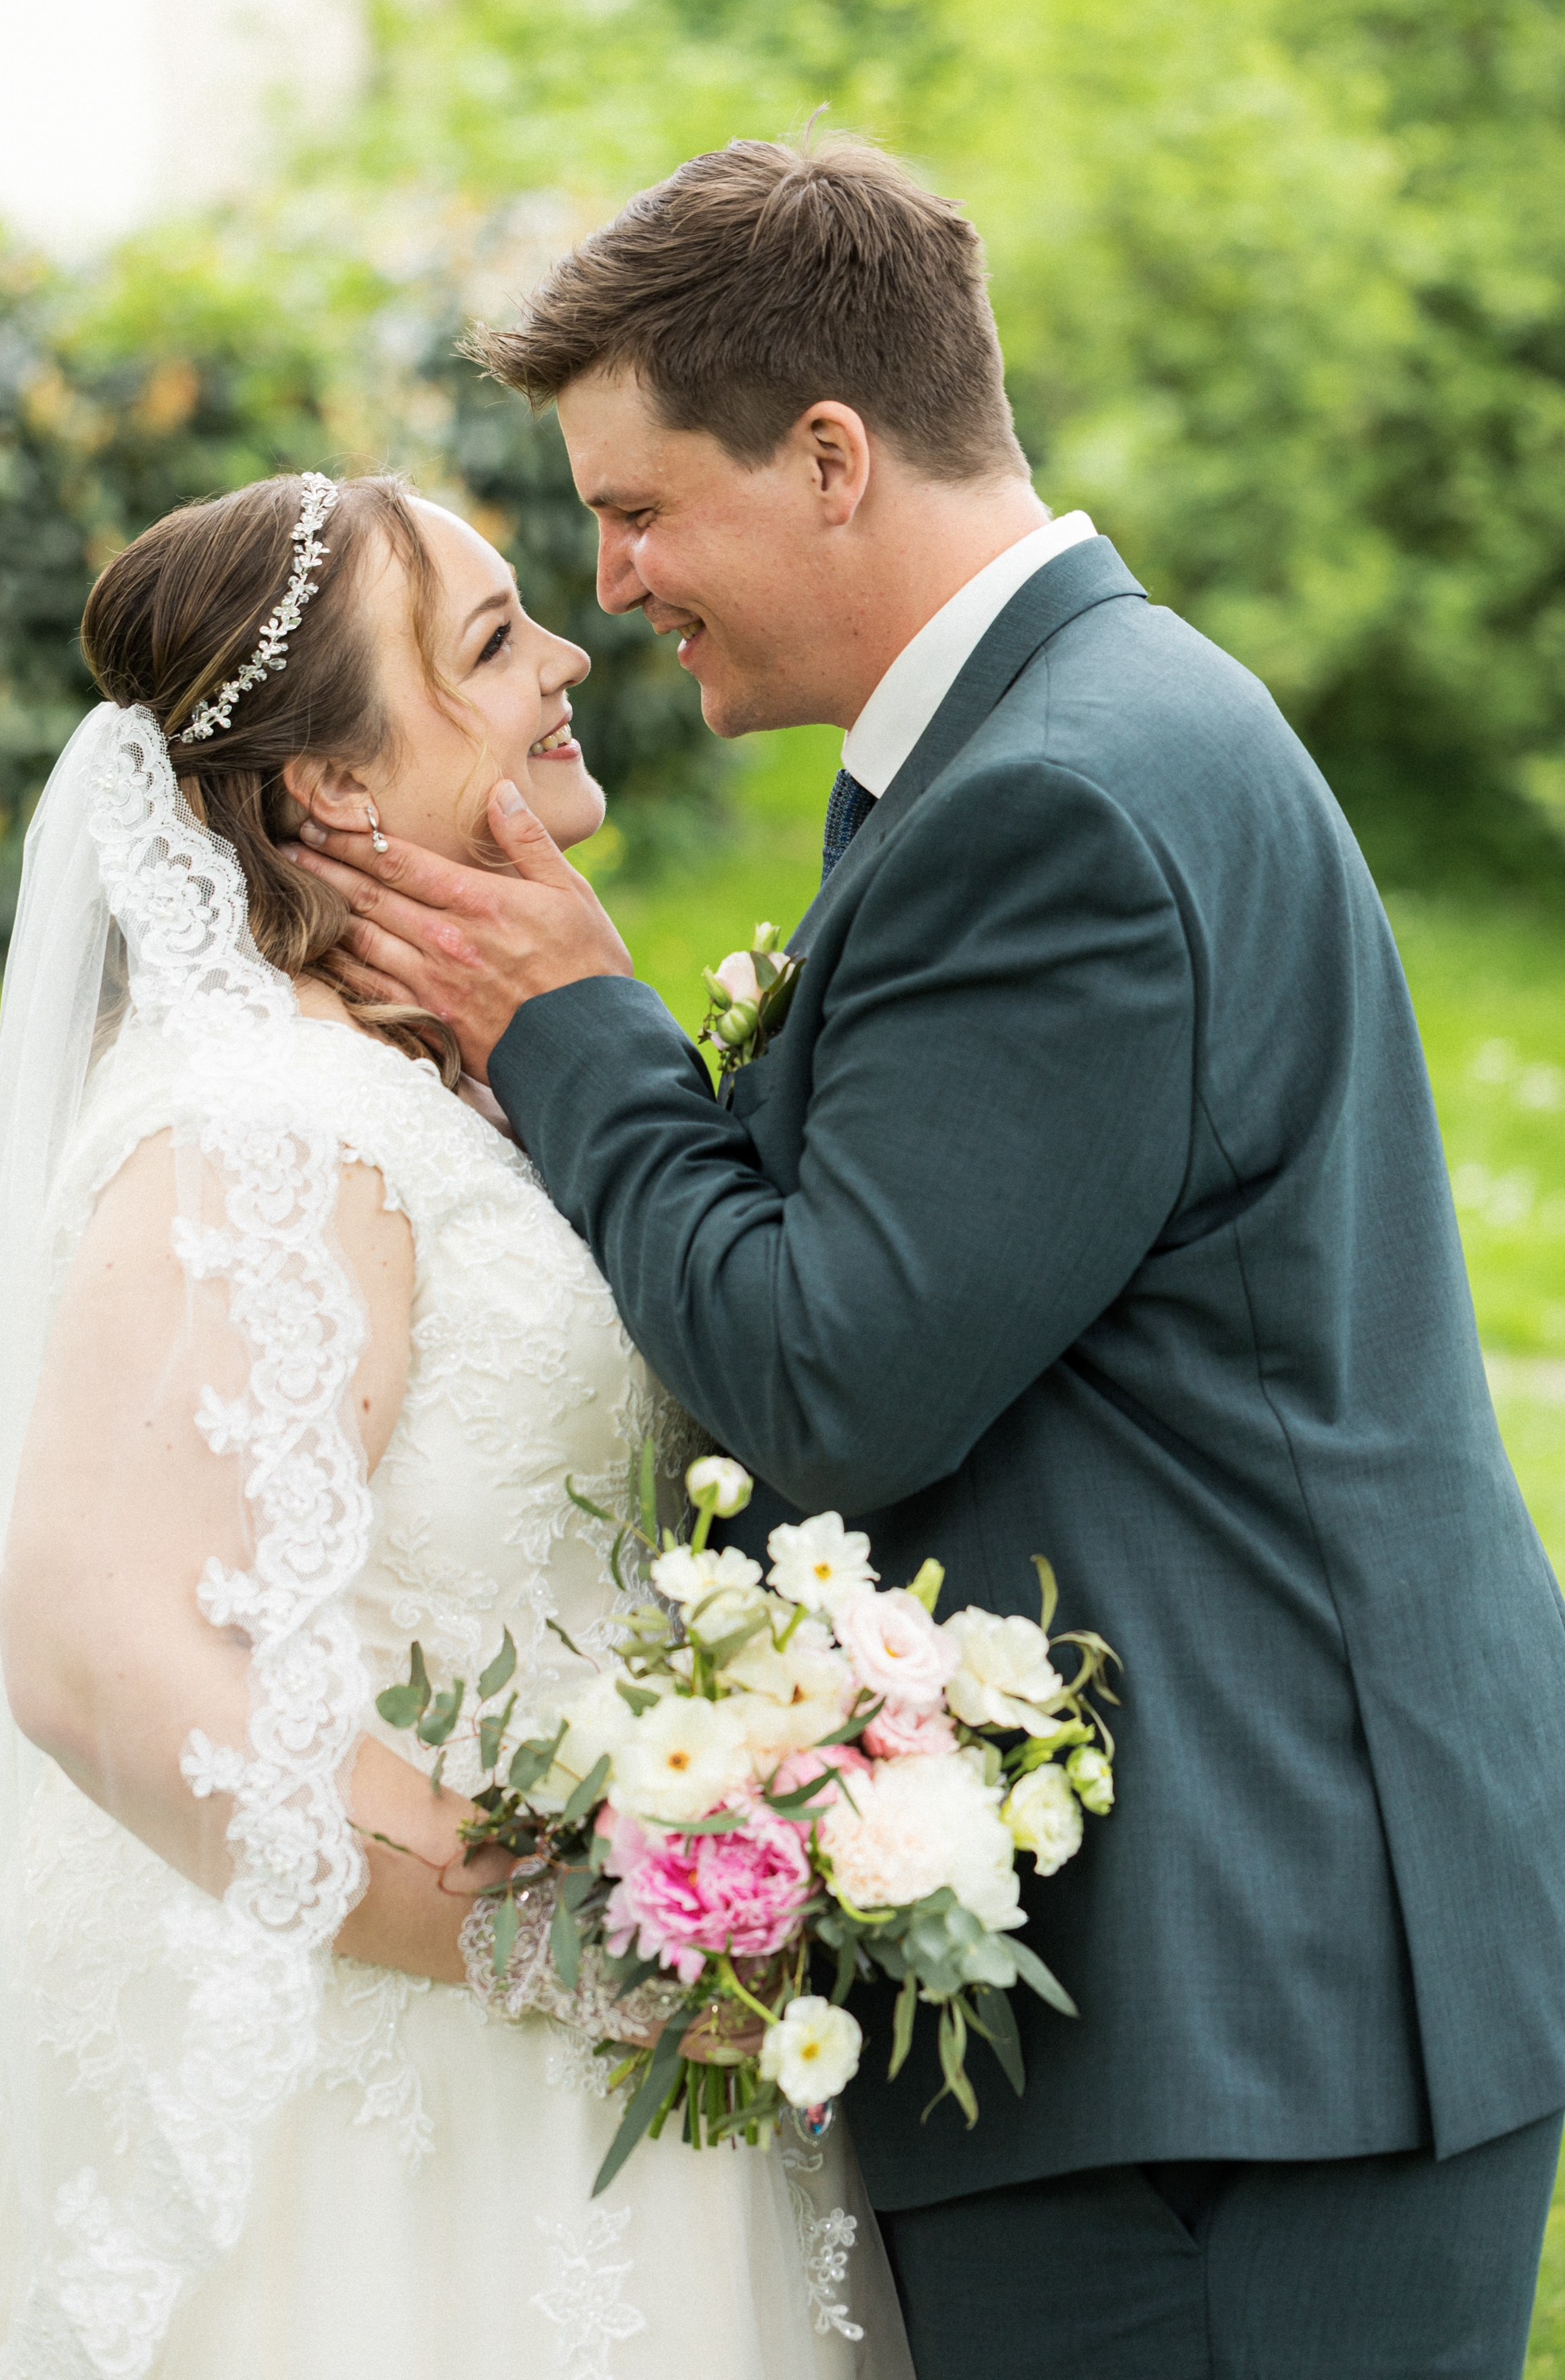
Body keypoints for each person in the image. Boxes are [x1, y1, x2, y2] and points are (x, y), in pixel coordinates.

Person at [286, 137, 1565, 2380]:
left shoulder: (1054, 800)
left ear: (835, 455)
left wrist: (569, 1028)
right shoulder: (1069, 736)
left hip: (1236, 2023)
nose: (616, 582)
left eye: (641, 503)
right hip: (1270, 1984)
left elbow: (830, 1372)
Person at [0, 469, 912, 2380]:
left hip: (599, 2035)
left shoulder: (427, 1089)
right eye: (493, 642)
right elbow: (95, 1651)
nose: (569, 655)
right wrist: (574, 1942)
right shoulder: (264, 1122)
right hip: (411, 2090)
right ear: (336, 794)